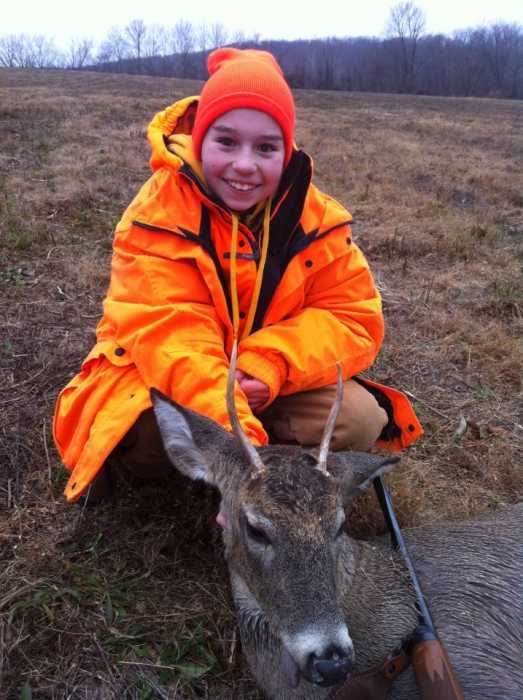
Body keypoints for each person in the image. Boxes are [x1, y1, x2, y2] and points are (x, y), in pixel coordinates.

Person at [53, 48, 422, 503]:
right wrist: (240, 445)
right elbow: (172, 336)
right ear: (200, 140)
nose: (245, 165)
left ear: (285, 153)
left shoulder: (318, 220)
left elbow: (352, 317)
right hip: (172, 376)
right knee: (144, 434)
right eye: (226, 142)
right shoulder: (155, 216)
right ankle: (238, 469)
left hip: (266, 382)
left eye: (265, 147)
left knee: (360, 419)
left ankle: (251, 465)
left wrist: (270, 363)